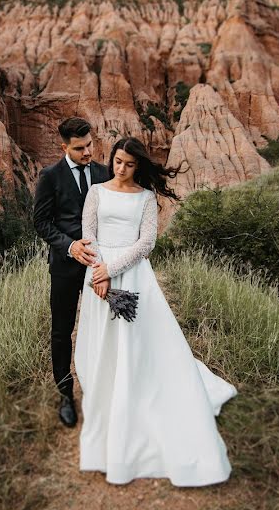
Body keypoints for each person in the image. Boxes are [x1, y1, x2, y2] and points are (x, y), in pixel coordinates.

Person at [74, 136, 238, 486]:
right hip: (98, 276)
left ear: (139, 166)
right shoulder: (97, 192)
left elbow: (146, 243)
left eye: (129, 164)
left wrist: (112, 270)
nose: (121, 169)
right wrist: (97, 273)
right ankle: (106, 392)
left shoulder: (146, 198)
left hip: (132, 276)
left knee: (137, 341)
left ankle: (136, 396)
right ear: (112, 160)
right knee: (103, 339)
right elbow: (89, 235)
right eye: (117, 161)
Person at [33, 117, 112, 427]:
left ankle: (103, 387)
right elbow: (41, 222)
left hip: (99, 265)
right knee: (61, 331)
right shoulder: (49, 176)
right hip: (65, 266)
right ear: (64, 146)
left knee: (104, 326)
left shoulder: (104, 173)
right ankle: (66, 394)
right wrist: (69, 246)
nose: (87, 152)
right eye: (80, 148)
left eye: (89, 145)